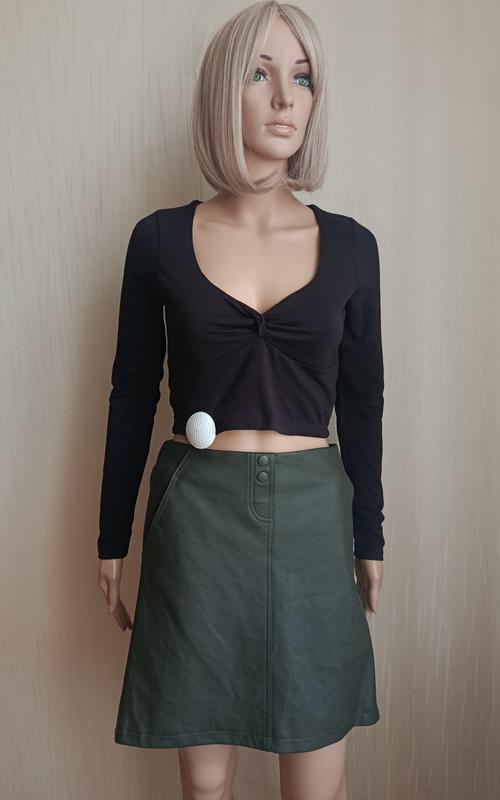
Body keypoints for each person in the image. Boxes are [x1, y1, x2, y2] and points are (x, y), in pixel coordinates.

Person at [97, 3, 385, 799]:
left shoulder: (352, 247)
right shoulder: (157, 240)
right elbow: (132, 392)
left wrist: (369, 536)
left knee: (315, 786)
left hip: (313, 524)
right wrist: (112, 534)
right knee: (204, 787)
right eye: (260, 73)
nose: (286, 97)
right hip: (197, 524)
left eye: (303, 77)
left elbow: (363, 401)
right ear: (225, 89)